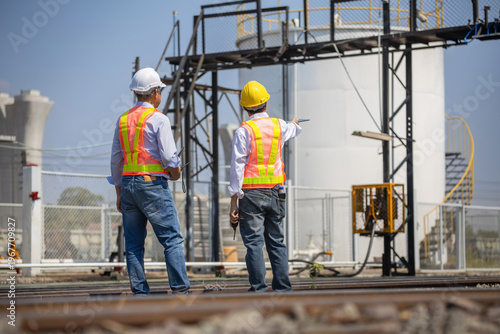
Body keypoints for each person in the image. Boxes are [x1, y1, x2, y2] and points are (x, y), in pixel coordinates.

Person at [109, 67, 190, 295]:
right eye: (160, 91)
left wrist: (118, 192)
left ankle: (140, 294)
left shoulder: (123, 120)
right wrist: (175, 172)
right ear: (155, 93)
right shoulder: (159, 119)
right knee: (172, 240)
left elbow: (116, 160)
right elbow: (168, 157)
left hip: (127, 186)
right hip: (153, 185)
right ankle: (181, 293)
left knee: (133, 245)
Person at [228, 80, 302, 292]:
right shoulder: (280, 125)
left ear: (244, 108)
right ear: (266, 104)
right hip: (276, 193)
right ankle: (283, 289)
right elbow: (294, 129)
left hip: (250, 195)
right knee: (277, 242)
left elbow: (237, 166)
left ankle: (259, 290)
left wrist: (234, 201)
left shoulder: (244, 131)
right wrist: (295, 123)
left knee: (253, 244)